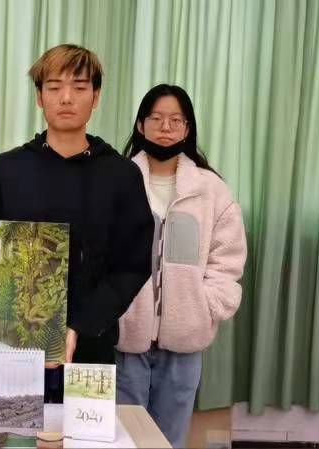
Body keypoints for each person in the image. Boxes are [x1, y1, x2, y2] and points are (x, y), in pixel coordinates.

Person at [0, 44, 154, 402]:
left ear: (96, 97)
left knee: (82, 429)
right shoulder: (7, 170)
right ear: (39, 97)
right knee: (12, 428)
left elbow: (132, 265)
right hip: (13, 345)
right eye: (54, 87)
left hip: (91, 345)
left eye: (80, 87)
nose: (66, 97)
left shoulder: (121, 175)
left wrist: (80, 326)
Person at [116, 84, 247, 448]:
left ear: (188, 128)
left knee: (168, 441)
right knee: (124, 439)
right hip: (126, 339)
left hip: (184, 344)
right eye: (156, 118)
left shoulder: (211, 190)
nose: (166, 127)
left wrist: (206, 307)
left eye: (176, 120)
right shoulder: (118, 181)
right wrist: (114, 313)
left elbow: (227, 259)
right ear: (141, 125)